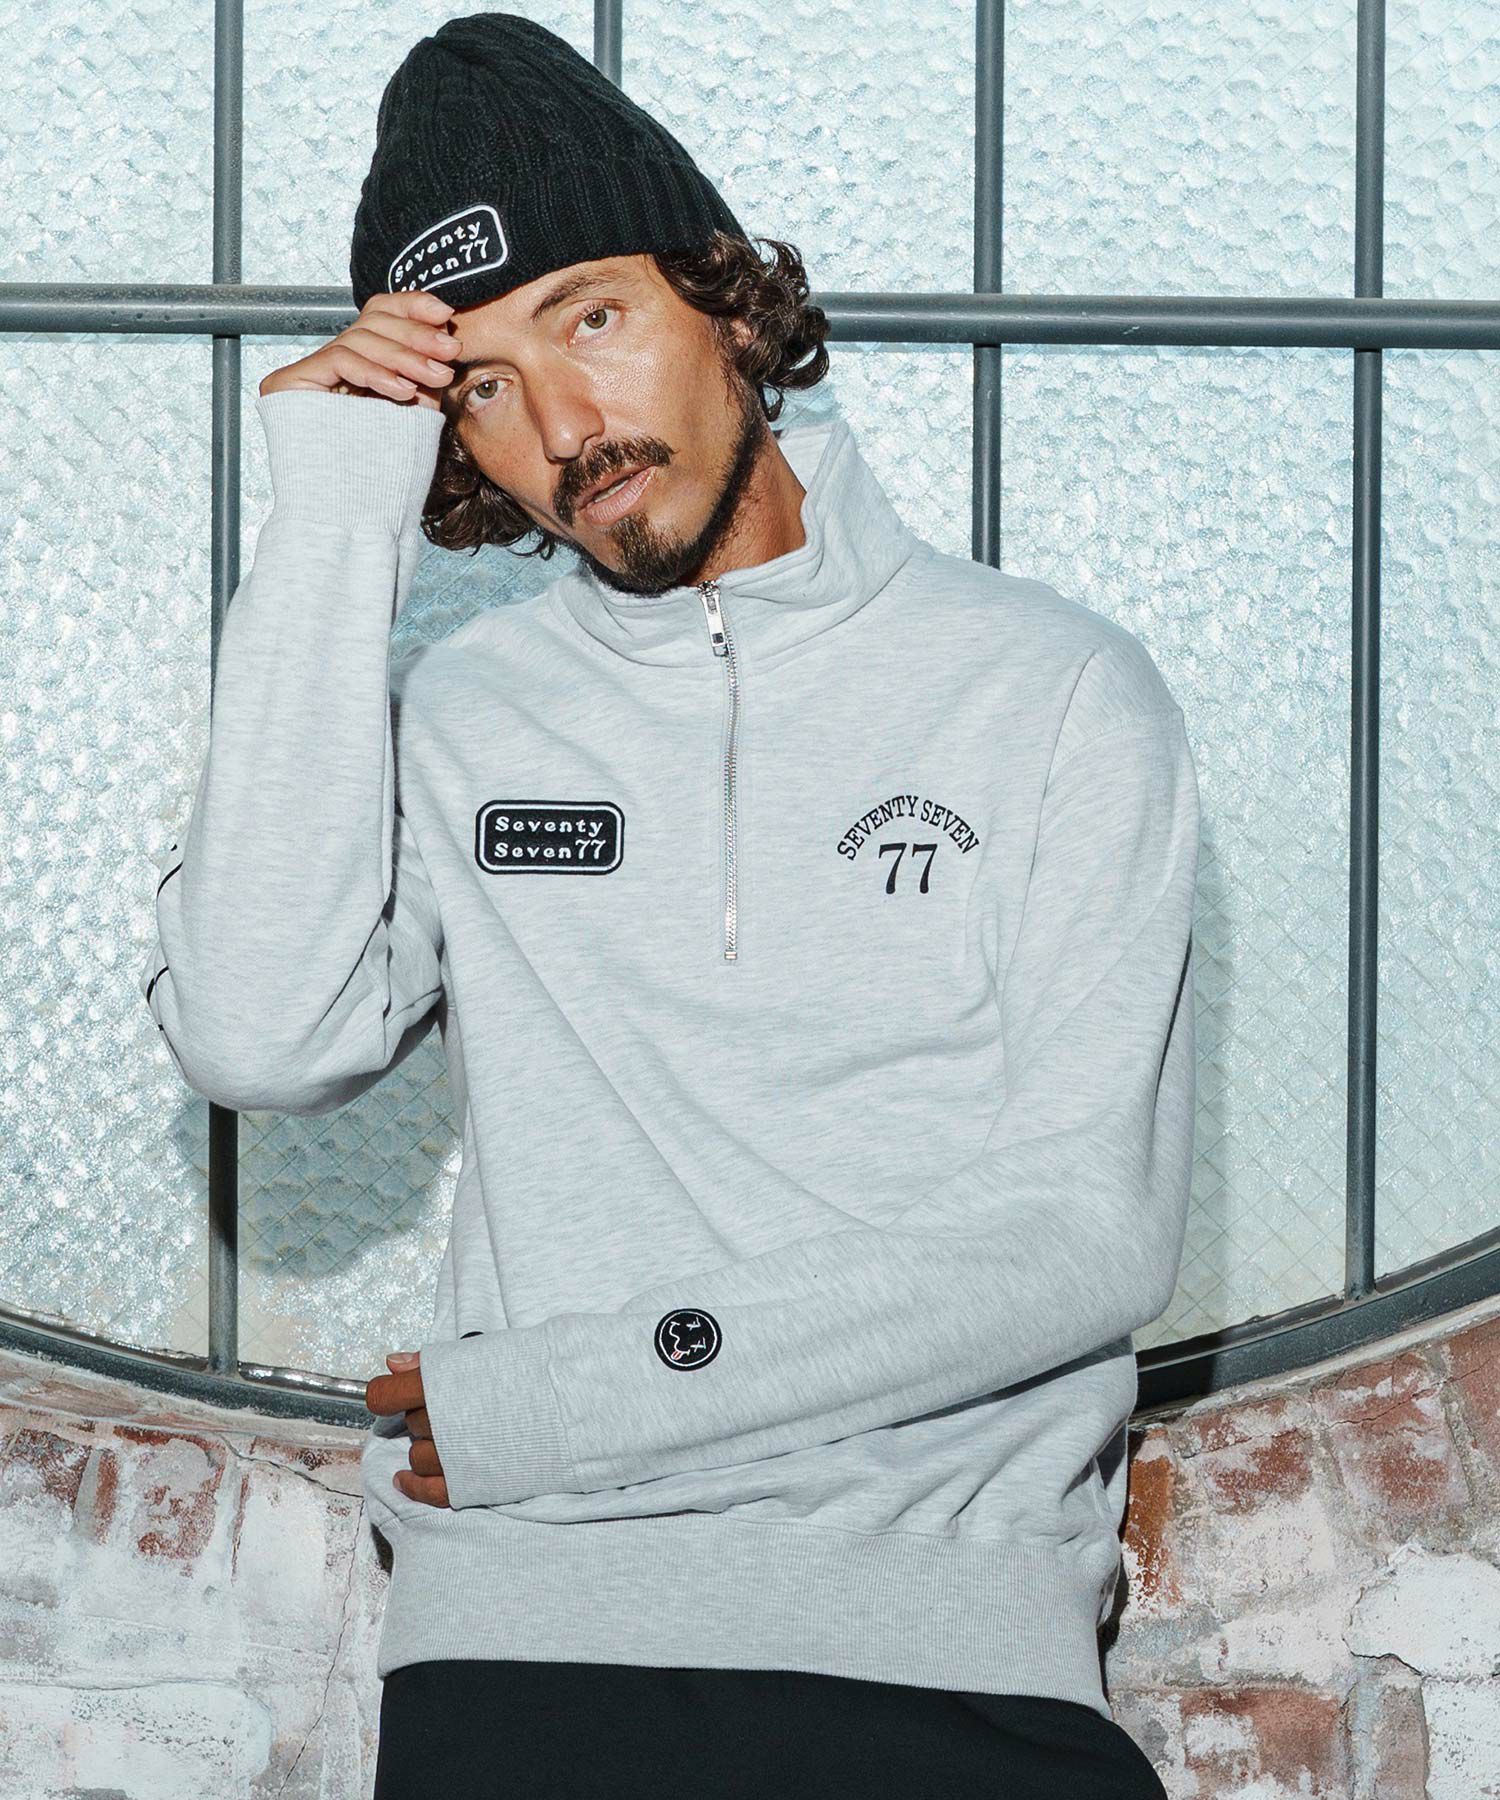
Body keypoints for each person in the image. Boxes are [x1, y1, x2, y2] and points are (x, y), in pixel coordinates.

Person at [142, 12, 1197, 1797]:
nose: (566, 429)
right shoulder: (467, 716)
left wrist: (580, 1398)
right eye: (482, 385)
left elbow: (1079, 1236)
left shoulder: (1053, 693)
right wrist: (326, 518)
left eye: (591, 320)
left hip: (949, 1648)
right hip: (528, 1650)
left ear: (725, 301)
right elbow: (258, 1035)